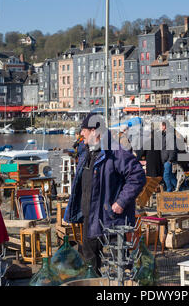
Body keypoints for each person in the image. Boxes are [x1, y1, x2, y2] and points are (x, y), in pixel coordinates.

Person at [64, 113, 146, 275]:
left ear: (94, 131)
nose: (81, 134)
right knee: (89, 258)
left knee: (120, 260)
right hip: (90, 214)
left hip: (112, 216)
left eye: (84, 131)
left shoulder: (115, 152)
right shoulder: (87, 151)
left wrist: (121, 202)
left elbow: (137, 176)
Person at [160, 121, 178, 192]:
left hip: (168, 160)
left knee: (166, 176)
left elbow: (173, 148)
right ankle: (178, 188)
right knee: (171, 176)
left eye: (160, 126)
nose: (160, 127)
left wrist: (170, 160)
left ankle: (169, 190)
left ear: (164, 126)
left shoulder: (170, 135)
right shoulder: (163, 135)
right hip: (164, 159)